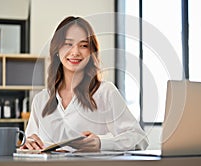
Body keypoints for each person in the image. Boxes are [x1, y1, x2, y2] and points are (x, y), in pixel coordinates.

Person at [22, 16, 148, 152]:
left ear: (91, 52)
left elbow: (140, 139)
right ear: (57, 49)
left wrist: (101, 143)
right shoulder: (41, 100)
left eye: (83, 45)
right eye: (68, 44)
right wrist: (29, 144)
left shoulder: (105, 92)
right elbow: (30, 144)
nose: (75, 52)